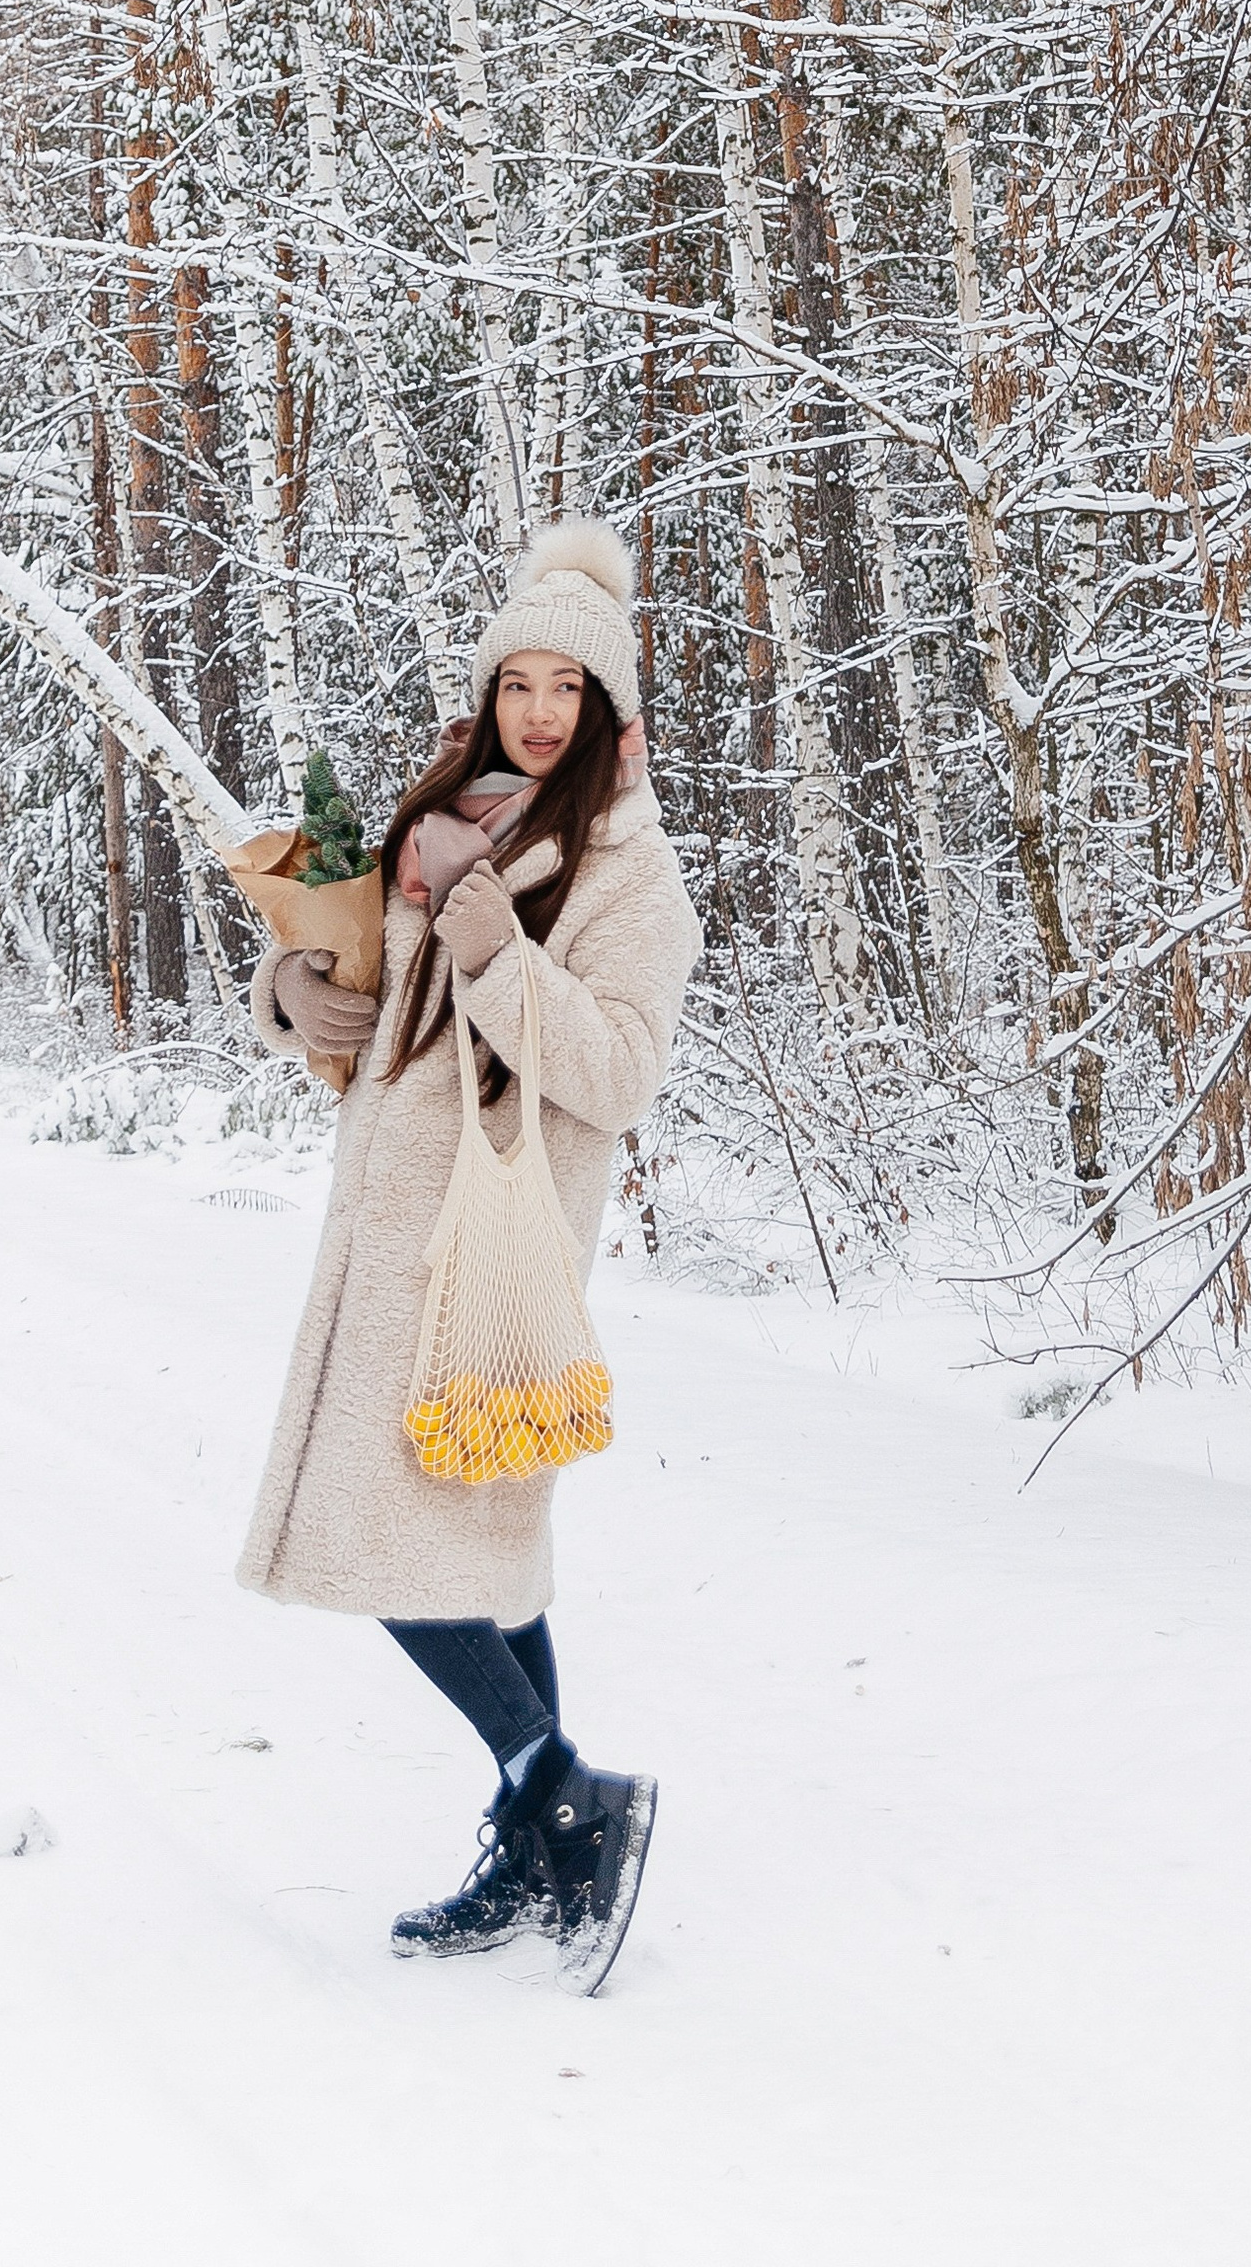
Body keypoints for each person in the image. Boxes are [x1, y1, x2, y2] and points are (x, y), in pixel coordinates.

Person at [240, 521, 700, 1990]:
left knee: (392, 1545)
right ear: (493, 691)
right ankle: (539, 1842)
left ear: (610, 710)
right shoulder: (444, 819)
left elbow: (621, 1075)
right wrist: (297, 990)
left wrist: (504, 953)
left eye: (574, 686)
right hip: (384, 1237)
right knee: (493, 1565)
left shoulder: (633, 874)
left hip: (486, 1259)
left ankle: (559, 1787)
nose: (544, 710)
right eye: (524, 680)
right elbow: (373, 992)